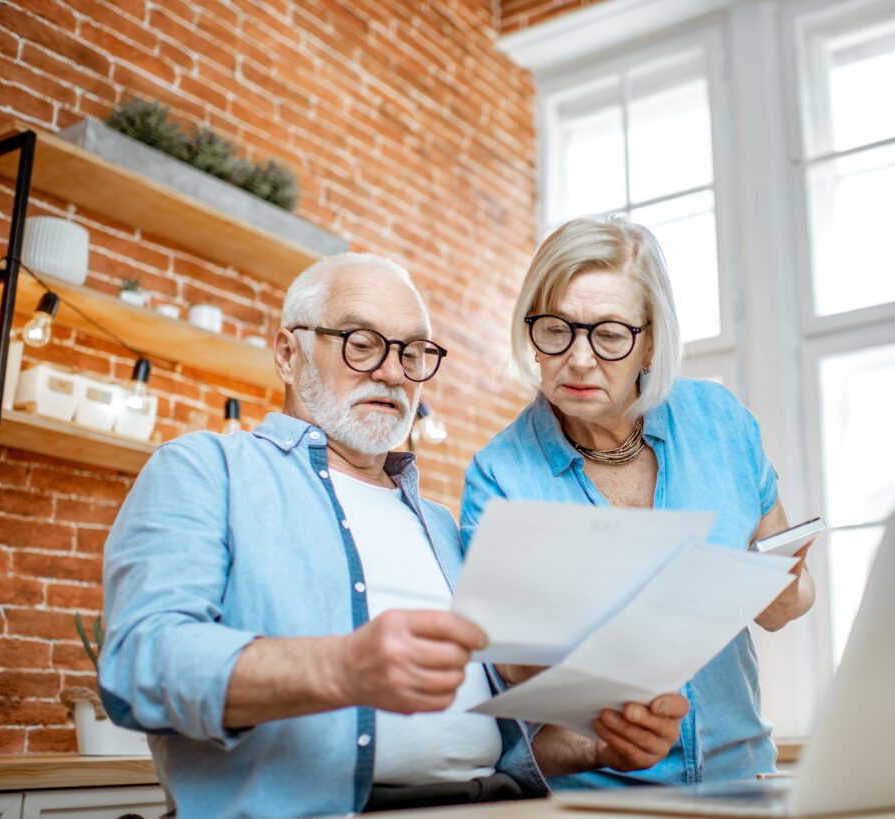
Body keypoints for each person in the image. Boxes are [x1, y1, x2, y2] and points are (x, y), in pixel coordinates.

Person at [98, 252, 688, 819]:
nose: (392, 372)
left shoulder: (441, 526)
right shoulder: (207, 470)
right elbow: (138, 666)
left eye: (413, 352)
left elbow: (478, 737)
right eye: (361, 343)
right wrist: (342, 667)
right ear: (287, 353)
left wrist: (589, 746)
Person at [460, 217, 816, 791]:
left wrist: (784, 590)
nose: (579, 359)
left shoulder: (721, 421)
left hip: (742, 777)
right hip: (600, 794)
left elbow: (788, 599)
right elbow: (508, 672)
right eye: (556, 330)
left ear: (650, 341)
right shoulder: (499, 475)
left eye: (609, 335)